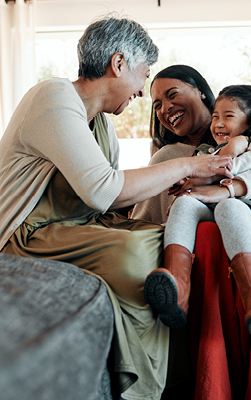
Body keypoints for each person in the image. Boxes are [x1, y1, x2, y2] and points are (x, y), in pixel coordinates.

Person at [0, 20, 234, 400]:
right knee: (134, 251)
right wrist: (189, 166)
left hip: (74, 225)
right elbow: (103, 191)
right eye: (143, 75)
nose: (143, 90)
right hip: (27, 233)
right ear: (119, 62)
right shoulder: (53, 96)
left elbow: (108, 195)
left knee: (172, 239)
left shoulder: (101, 123)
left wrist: (167, 184)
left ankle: (185, 378)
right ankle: (143, 389)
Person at [132, 65, 251, 399]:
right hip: (196, 247)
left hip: (248, 230)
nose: (165, 108)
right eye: (155, 104)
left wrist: (227, 188)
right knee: (192, 219)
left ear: (203, 94)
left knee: (250, 229)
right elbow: (144, 219)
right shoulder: (169, 156)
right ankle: (177, 284)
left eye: (172, 94)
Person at [144, 84, 251, 341]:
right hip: (208, 207)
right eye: (216, 116)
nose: (218, 123)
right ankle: (178, 287)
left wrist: (225, 163)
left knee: (230, 206)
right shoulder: (209, 150)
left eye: (228, 116)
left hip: (244, 204)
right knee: (185, 203)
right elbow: (197, 177)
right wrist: (186, 182)